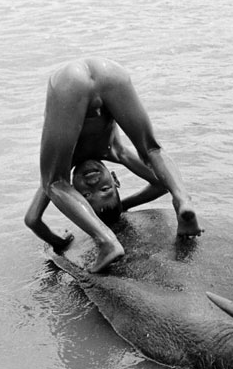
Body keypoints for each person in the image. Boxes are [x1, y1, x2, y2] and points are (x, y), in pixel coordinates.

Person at [24, 57, 201, 272]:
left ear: (75, 193)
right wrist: (124, 206)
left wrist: (59, 242)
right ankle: (182, 200)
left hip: (77, 79)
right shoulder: (115, 150)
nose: (93, 182)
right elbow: (161, 182)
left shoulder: (59, 176)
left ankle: (106, 241)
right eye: (105, 188)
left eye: (87, 196)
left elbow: (33, 219)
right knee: (151, 148)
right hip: (110, 73)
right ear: (115, 179)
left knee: (53, 183)